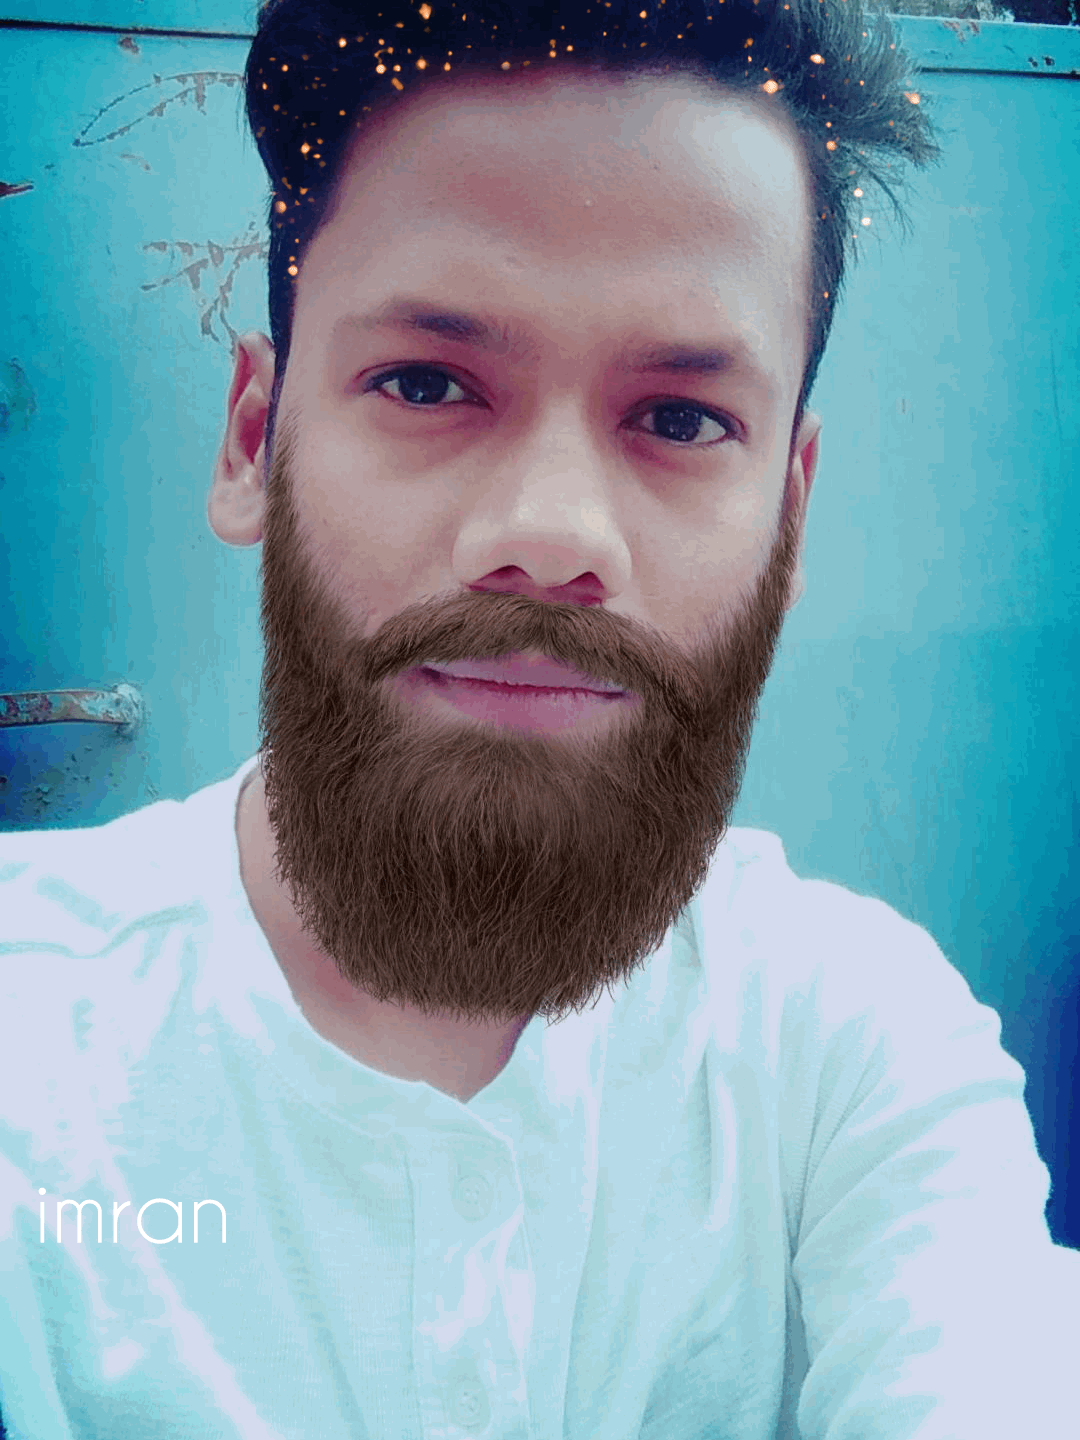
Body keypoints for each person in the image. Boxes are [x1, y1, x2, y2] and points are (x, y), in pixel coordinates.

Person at [1, 1, 1075, 1436]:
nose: (553, 535)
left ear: (792, 512)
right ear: (255, 439)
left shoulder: (856, 1054)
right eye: (427, 383)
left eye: (681, 418)